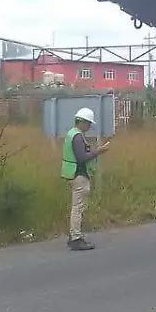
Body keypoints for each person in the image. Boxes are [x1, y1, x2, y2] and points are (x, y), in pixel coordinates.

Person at [60, 107, 111, 251]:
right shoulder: (77, 136)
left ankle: (74, 235)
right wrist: (99, 151)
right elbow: (82, 157)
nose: (89, 127)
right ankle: (76, 237)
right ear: (82, 122)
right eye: (88, 123)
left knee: (77, 206)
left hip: (73, 174)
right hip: (79, 175)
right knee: (78, 207)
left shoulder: (72, 134)